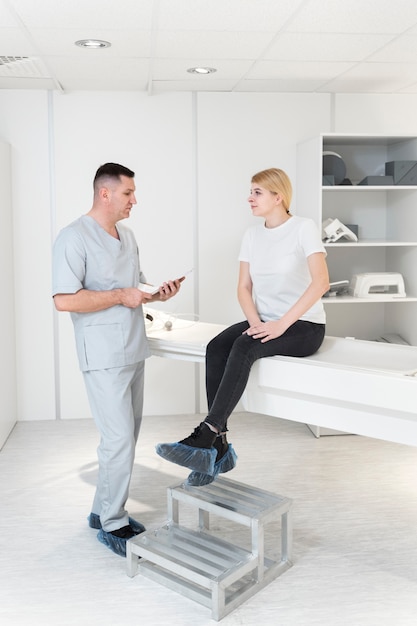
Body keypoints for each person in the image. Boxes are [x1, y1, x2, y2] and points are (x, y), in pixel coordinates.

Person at [156, 167, 329, 486]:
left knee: (244, 346)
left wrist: (279, 326)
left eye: (257, 192)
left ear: (279, 197)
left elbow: (321, 282)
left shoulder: (303, 228)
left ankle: (206, 436)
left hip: (303, 324)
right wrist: (257, 323)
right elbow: (243, 288)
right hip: (264, 320)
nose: (249, 198)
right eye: (250, 192)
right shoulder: (252, 235)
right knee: (216, 347)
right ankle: (218, 445)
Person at [52, 162, 183, 557]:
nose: (135, 200)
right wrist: (120, 296)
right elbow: (64, 300)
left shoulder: (127, 235)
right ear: (105, 193)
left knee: (124, 440)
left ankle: (100, 512)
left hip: (133, 347)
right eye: (128, 193)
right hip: (103, 354)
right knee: (118, 440)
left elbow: (134, 286)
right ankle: (113, 523)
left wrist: (156, 294)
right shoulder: (73, 238)